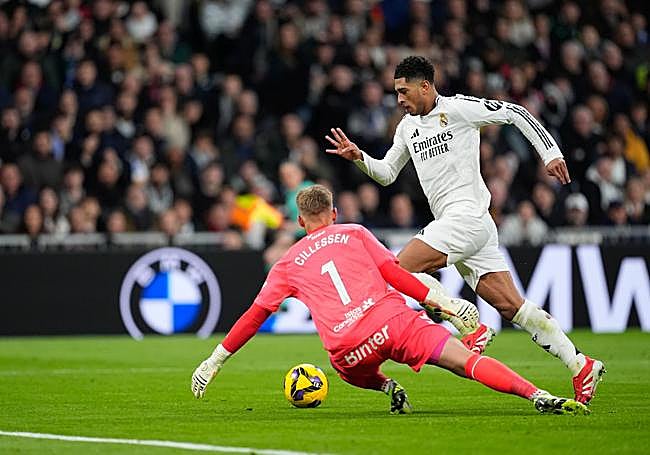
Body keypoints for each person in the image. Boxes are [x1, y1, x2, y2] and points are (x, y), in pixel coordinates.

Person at [325, 56, 605, 405]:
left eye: (404, 91)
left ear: (425, 86)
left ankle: (468, 323)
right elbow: (386, 174)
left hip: (467, 217)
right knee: (514, 307)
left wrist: (550, 153)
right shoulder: (407, 128)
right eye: (396, 92)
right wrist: (359, 157)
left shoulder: (458, 109)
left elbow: (515, 112)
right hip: (466, 225)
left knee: (399, 270)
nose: (398, 99)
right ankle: (580, 364)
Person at [191, 184, 589, 416]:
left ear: (299, 222)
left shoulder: (286, 264)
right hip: (393, 323)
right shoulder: (354, 232)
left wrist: (215, 360)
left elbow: (255, 315)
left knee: (344, 368)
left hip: (349, 348)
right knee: (465, 362)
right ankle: (537, 395)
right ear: (333, 213)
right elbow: (396, 275)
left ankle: (386, 387)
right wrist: (444, 305)